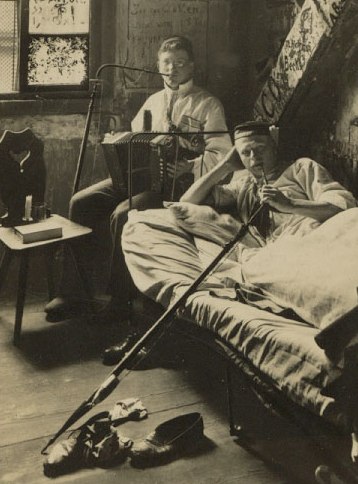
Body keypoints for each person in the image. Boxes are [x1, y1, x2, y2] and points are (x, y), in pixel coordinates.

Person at [44, 35, 232, 325]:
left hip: (175, 187)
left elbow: (222, 155)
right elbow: (134, 141)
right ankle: (72, 293)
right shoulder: (152, 102)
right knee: (81, 202)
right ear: (158, 66)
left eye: (180, 63)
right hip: (140, 179)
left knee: (123, 214)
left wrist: (188, 166)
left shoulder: (208, 104)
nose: (173, 69)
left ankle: (120, 301)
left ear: (191, 66)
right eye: (167, 63)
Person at [122, 120, 357, 329]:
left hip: (317, 236)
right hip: (281, 252)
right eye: (246, 153)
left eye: (260, 149)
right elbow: (187, 202)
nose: (254, 158)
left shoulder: (301, 168)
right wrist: (224, 166)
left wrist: (290, 205)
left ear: (274, 145)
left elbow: (342, 206)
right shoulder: (243, 186)